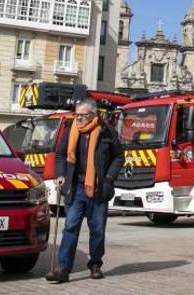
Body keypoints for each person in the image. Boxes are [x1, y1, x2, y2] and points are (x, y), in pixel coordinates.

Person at [45, 99, 123, 283]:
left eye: (82, 115)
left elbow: (119, 156)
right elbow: (61, 155)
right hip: (76, 187)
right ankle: (63, 269)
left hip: (98, 188)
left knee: (97, 229)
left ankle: (95, 265)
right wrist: (61, 174)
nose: (78, 118)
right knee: (70, 226)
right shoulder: (71, 131)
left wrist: (110, 178)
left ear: (93, 115)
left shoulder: (106, 131)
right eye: (77, 115)